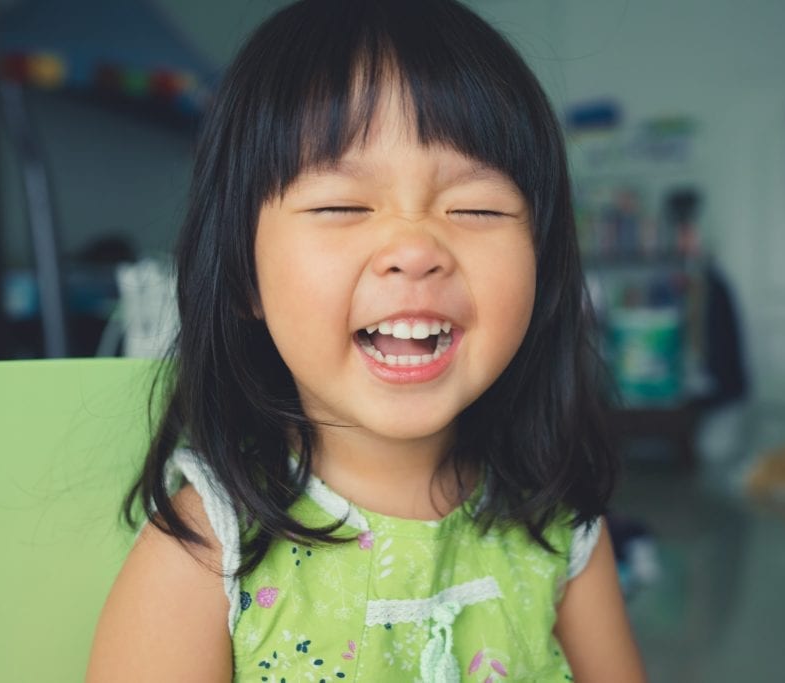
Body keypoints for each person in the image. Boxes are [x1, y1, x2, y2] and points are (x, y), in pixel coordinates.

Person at [87, 1, 646, 681]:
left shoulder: (559, 527)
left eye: (476, 207)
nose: (415, 249)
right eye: (343, 206)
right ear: (243, 273)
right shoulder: (210, 550)